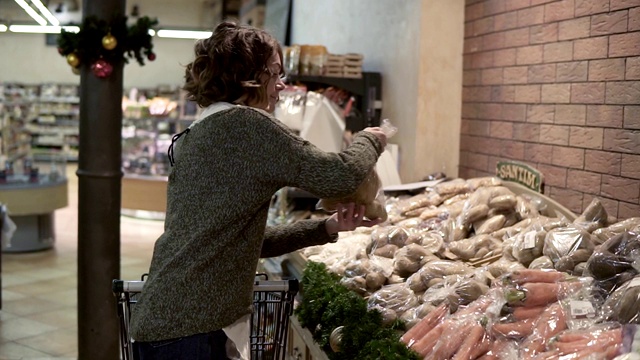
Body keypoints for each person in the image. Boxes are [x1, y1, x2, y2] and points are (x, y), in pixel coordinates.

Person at [129, 21, 387, 360]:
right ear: (247, 74)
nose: (281, 86)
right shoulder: (246, 125)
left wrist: (327, 227)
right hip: (191, 331)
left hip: (168, 322)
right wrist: (372, 138)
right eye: (275, 73)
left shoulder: (201, 129)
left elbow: (248, 242)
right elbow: (340, 176)